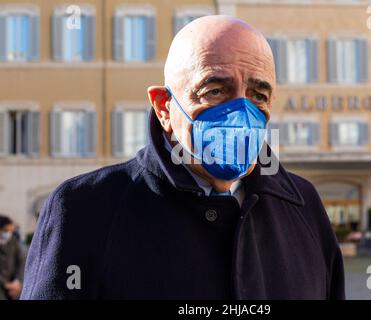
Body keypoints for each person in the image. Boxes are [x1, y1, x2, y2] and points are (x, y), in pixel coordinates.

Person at [21, 15, 345, 299]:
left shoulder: (303, 205)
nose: (240, 112)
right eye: (215, 90)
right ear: (164, 106)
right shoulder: (84, 210)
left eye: (258, 95)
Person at [0, 215, 25, 300]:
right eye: (5, 230)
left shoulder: (13, 241)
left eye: (11, 231)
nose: (8, 234)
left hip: (14, 286)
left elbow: (21, 262)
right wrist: (6, 284)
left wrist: (17, 281)